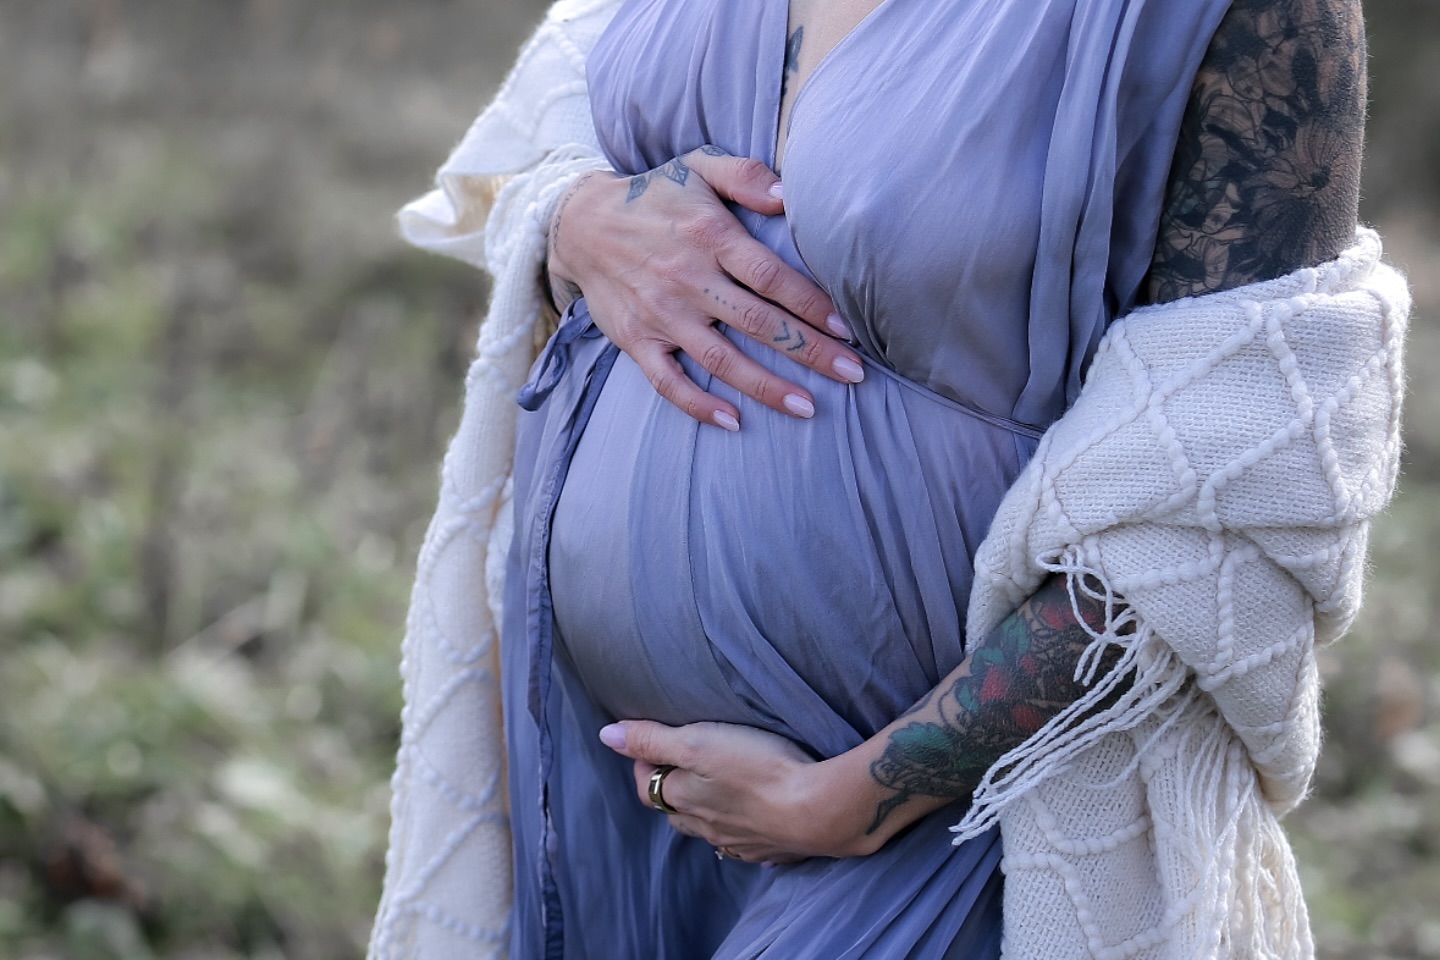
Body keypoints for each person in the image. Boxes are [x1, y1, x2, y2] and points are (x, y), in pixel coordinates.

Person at [370, 0, 1409, 957]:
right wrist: (574, 216)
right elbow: (542, 139)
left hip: (944, 825)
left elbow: (1235, 481)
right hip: (603, 791)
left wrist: (856, 798)